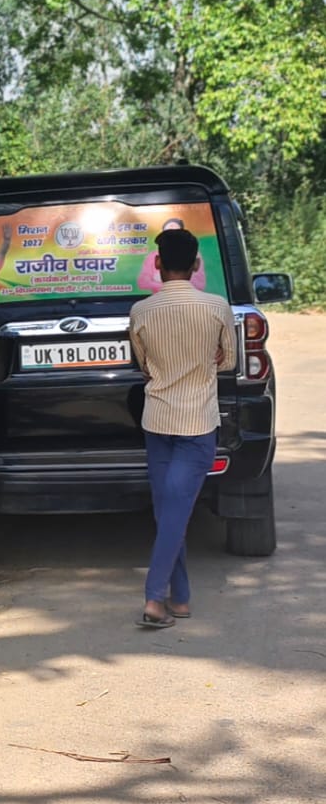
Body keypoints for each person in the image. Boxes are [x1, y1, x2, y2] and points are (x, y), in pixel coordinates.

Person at [128, 226, 235, 629]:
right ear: (196, 264)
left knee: (168, 511)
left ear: (157, 264)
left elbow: (143, 366)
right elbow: (228, 361)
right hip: (197, 423)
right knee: (173, 511)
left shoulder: (141, 311)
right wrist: (207, 359)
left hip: (157, 421)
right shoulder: (216, 307)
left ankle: (174, 596)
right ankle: (164, 599)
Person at [136, 217, 208, 294]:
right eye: (168, 233)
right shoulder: (152, 256)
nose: (173, 238)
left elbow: (200, 284)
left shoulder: (194, 254)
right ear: (157, 261)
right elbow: (142, 282)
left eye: (176, 233)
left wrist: (160, 284)